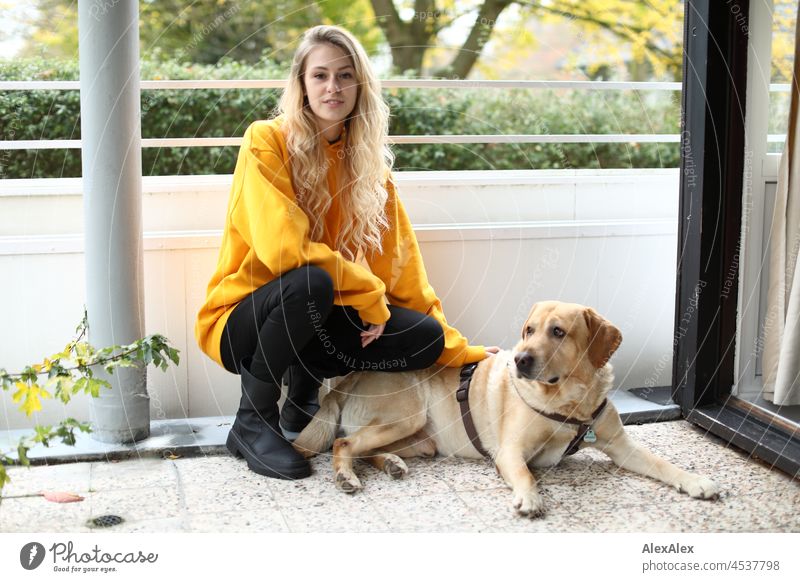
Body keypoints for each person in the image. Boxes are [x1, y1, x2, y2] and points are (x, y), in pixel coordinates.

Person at [195, 24, 498, 480]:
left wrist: (460, 350)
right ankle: (252, 420)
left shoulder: (372, 170)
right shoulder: (266, 141)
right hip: (244, 319)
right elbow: (283, 249)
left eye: (344, 75)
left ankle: (302, 400)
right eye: (319, 75)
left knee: (424, 338)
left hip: (314, 318)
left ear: (361, 85)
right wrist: (366, 291)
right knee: (311, 284)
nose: (332, 87)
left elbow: (404, 272)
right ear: (301, 84)